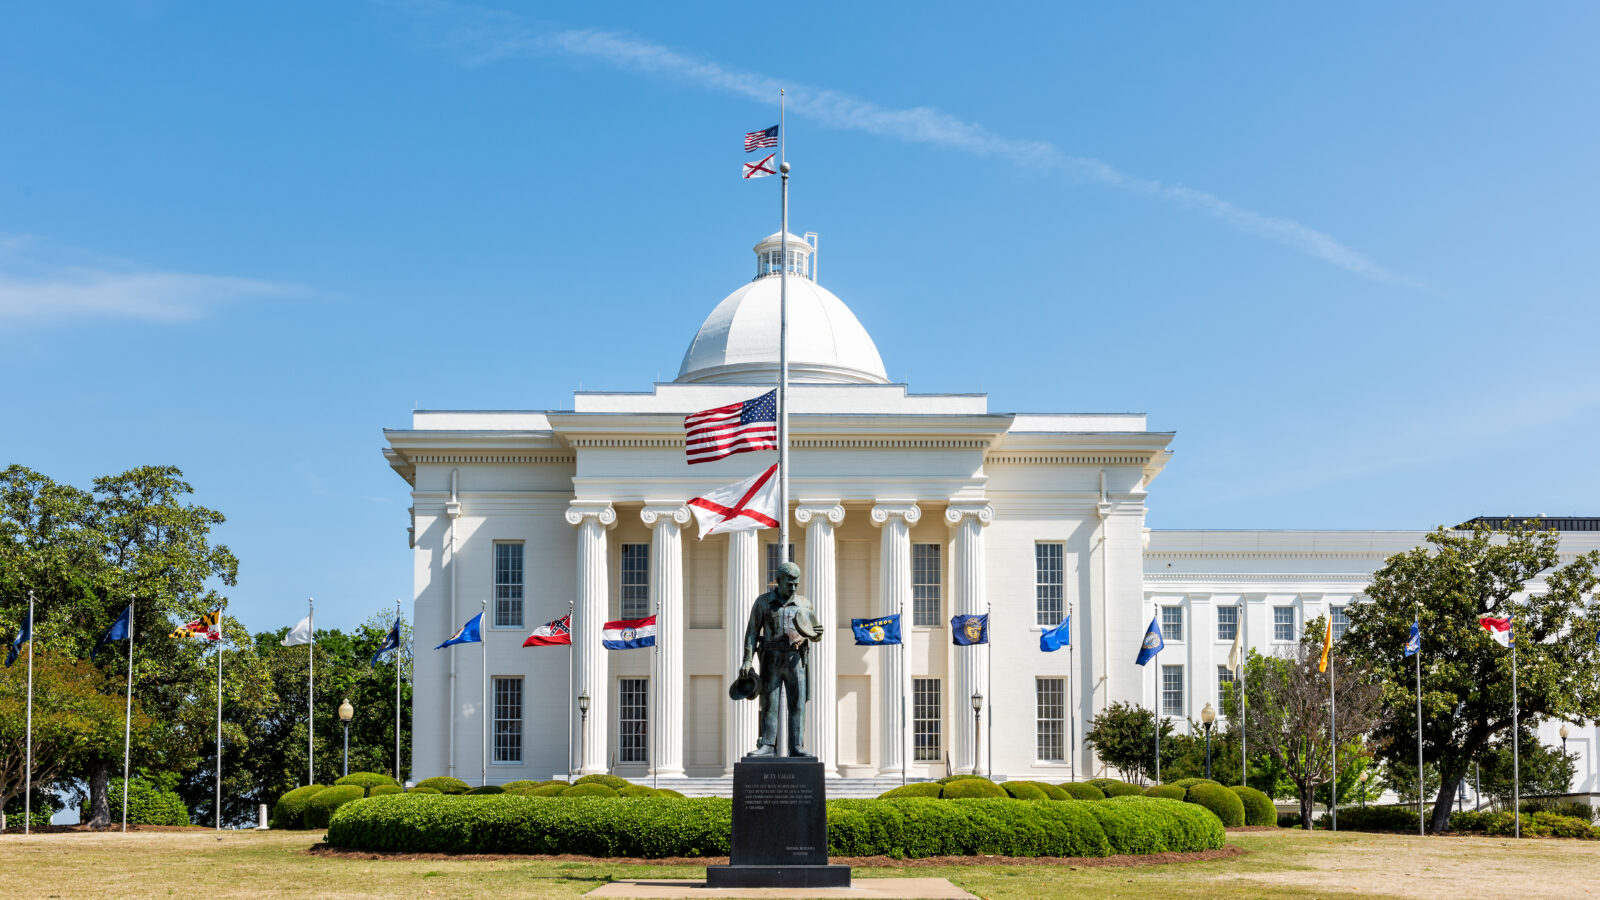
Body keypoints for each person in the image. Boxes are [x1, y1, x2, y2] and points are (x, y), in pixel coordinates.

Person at [738, 561, 822, 757]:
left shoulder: (805, 603)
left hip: (796, 658)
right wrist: (747, 660)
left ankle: (797, 746)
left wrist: (817, 634)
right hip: (771, 658)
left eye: (796, 583)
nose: (793, 587)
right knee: (769, 703)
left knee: (798, 704)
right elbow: (752, 631)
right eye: (789, 583)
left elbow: (814, 632)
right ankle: (767, 745)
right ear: (778, 581)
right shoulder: (763, 602)